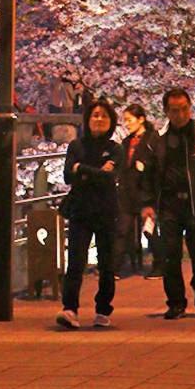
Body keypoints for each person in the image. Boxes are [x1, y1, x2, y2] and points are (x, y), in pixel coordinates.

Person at [139, 88, 195, 320]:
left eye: (184, 109)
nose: (180, 114)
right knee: (170, 254)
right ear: (166, 111)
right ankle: (176, 302)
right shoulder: (157, 140)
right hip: (169, 204)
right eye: (174, 110)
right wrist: (148, 203)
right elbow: (148, 174)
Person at [56, 99, 123, 330]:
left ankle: (103, 309)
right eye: (95, 115)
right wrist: (95, 171)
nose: (99, 119)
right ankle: (69, 309)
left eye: (104, 116)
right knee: (75, 261)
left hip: (105, 210)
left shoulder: (115, 148)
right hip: (81, 209)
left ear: (111, 121)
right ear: (87, 119)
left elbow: (110, 177)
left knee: (107, 264)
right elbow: (67, 176)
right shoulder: (76, 146)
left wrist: (81, 170)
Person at [119, 104, 162, 278]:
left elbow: (160, 165)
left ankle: (160, 264)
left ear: (141, 119)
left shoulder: (153, 140)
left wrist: (145, 166)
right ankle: (115, 266)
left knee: (149, 230)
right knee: (123, 228)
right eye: (125, 120)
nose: (126, 124)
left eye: (129, 120)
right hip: (128, 192)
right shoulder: (126, 141)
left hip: (146, 192)